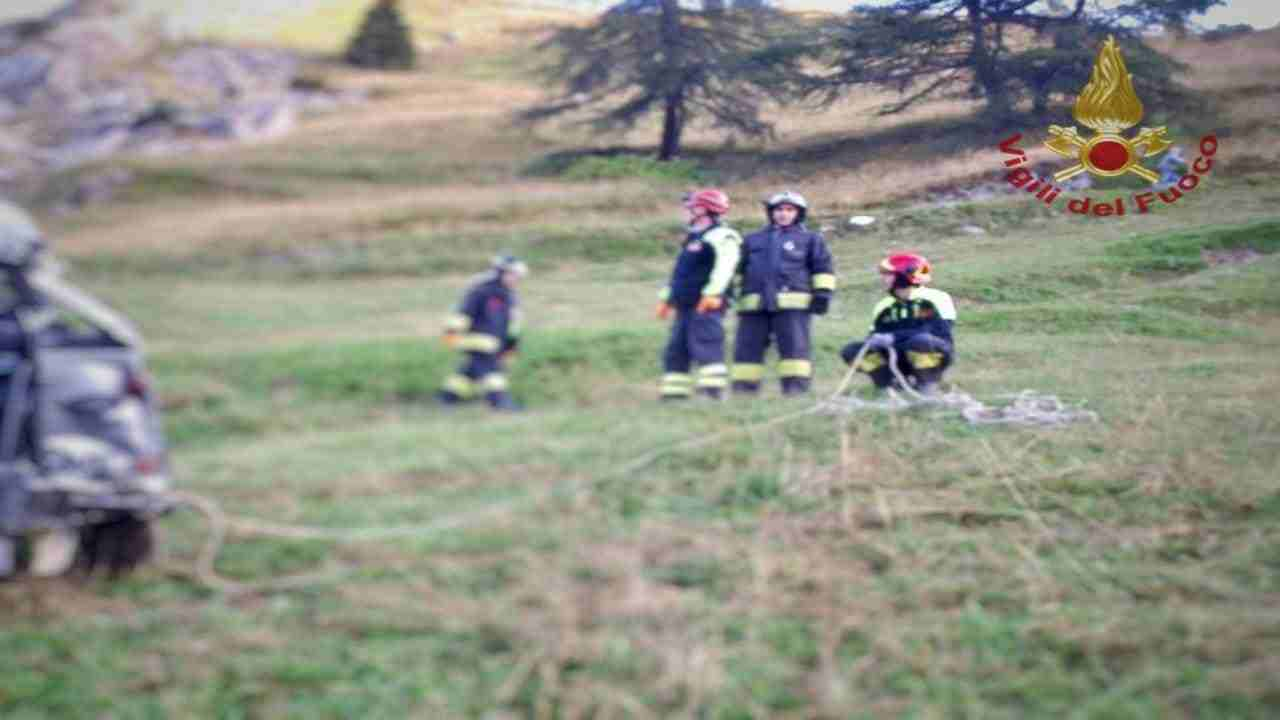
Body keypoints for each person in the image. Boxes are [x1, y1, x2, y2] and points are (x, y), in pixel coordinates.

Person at [731, 191, 836, 396]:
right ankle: (743, 393)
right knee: (747, 350)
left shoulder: (810, 239)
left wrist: (823, 294)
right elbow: (738, 271)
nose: (783, 214)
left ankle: (795, 391)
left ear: (799, 213)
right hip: (753, 306)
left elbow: (823, 268)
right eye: (779, 209)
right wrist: (729, 294)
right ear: (771, 212)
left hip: (793, 306)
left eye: (789, 210)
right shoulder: (752, 240)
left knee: (794, 351)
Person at [656, 189, 741, 400]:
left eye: (691, 207)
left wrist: (713, 294)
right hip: (685, 304)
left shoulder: (723, 235)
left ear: (704, 209)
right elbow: (680, 273)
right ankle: (674, 396)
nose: (687, 211)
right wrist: (668, 298)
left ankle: (712, 394)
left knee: (707, 346)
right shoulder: (693, 238)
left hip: (707, 304)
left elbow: (725, 268)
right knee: (676, 350)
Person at [839, 252, 956, 394]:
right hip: (896, 356)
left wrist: (894, 337)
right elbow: (875, 335)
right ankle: (889, 384)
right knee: (852, 351)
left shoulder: (937, 298)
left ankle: (927, 384)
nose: (883, 278)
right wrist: (873, 340)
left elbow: (936, 332)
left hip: (933, 353)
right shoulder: (884, 305)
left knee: (921, 341)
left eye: (888, 274)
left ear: (904, 275)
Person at [438, 255, 527, 411]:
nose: (516, 279)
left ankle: (447, 397)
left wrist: (511, 346)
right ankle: (499, 402)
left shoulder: (509, 296)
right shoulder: (482, 291)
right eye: (512, 274)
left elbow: (512, 325)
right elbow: (463, 313)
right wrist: (451, 333)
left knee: (468, 372)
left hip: (494, 342)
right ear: (501, 272)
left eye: (518, 276)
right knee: (492, 369)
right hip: (475, 340)